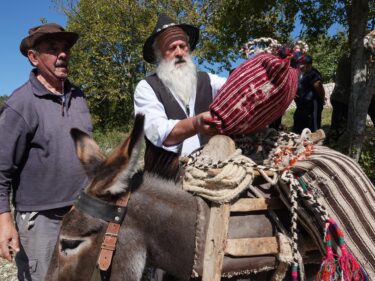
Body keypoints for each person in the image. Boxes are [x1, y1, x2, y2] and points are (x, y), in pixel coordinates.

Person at [0, 23, 92, 280]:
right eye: (53, 49)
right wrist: (4, 221)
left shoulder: (78, 96)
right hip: (40, 220)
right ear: (34, 57)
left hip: (82, 212)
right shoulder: (21, 104)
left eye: (65, 49)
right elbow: (1, 169)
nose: (62, 54)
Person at [134, 14, 226, 179]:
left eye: (183, 46)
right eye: (171, 48)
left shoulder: (208, 80)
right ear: (159, 55)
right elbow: (160, 133)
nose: (179, 53)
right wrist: (196, 123)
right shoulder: (147, 87)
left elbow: (234, 88)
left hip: (210, 175)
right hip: (165, 185)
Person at [329, 52, 375, 142]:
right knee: (339, 127)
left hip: (340, 97)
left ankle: (334, 142)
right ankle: (335, 143)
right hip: (344, 98)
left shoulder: (348, 56)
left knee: (338, 126)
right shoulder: (357, 59)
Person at [292, 54, 325, 134]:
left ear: (309, 64)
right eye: (300, 63)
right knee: (298, 121)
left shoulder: (313, 73)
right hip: (302, 104)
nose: (301, 66)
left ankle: (315, 140)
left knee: (313, 123)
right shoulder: (301, 73)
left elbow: (318, 86)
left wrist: (322, 98)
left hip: (312, 103)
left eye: (303, 64)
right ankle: (300, 139)